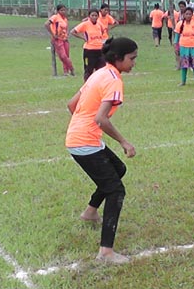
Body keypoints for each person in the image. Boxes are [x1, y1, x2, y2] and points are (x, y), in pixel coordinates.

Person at [66, 37, 138, 264]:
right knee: (116, 191)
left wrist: (82, 127)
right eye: (132, 59)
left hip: (80, 138)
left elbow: (71, 104)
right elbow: (101, 119)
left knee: (118, 169)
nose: (134, 63)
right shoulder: (114, 80)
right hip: (84, 142)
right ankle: (106, 252)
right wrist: (124, 142)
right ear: (118, 58)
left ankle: (90, 212)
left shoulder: (99, 72)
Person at [70, 8, 108, 81]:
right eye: (92, 15)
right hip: (89, 51)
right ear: (89, 16)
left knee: (101, 70)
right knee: (89, 70)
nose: (94, 17)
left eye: (96, 15)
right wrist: (83, 37)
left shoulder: (99, 25)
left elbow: (103, 32)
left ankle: (98, 86)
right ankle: (86, 87)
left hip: (99, 50)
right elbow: (73, 32)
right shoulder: (85, 24)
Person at [174, 7, 194, 87]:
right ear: (183, 15)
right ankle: (183, 82)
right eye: (186, 14)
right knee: (184, 65)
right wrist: (176, 47)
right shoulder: (180, 24)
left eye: (190, 14)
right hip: (183, 46)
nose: (188, 15)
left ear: (192, 15)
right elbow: (176, 37)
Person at [45, 5, 75, 77]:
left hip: (65, 39)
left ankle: (66, 71)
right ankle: (72, 68)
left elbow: (65, 29)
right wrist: (53, 34)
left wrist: (66, 36)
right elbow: (46, 24)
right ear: (58, 11)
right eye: (61, 10)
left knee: (66, 55)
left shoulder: (65, 19)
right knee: (63, 56)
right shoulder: (55, 17)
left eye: (64, 10)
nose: (63, 12)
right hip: (58, 39)